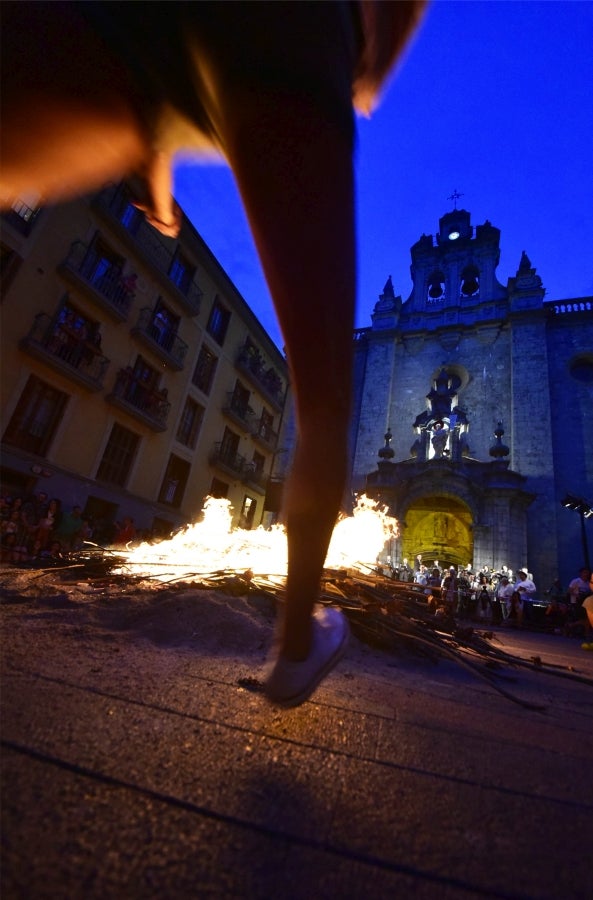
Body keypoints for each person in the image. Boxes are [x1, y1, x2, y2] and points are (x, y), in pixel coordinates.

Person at [1, 1, 426, 707]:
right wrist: (370, 65)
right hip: (294, 42)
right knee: (322, 410)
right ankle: (294, 646)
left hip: (147, 34)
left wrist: (151, 157)